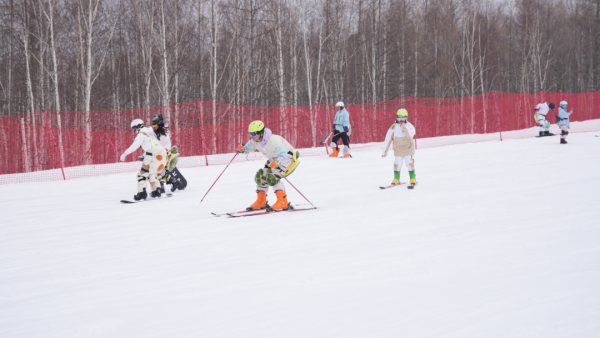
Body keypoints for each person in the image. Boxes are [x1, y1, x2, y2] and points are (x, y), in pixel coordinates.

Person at [236, 120, 300, 211]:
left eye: (253, 134)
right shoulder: (255, 141)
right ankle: (261, 201)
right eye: (250, 133)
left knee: (272, 177)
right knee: (261, 176)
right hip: (273, 159)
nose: (251, 136)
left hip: (287, 158)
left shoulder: (273, 140)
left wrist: (277, 162)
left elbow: (283, 154)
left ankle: (283, 202)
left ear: (261, 133)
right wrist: (241, 149)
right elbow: (247, 148)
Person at [120, 119, 168, 200]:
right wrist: (144, 155)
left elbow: (134, 146)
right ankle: (156, 191)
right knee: (151, 174)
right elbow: (152, 146)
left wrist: (125, 153)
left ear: (138, 127)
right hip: (162, 156)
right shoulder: (150, 132)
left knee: (141, 175)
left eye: (134, 129)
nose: (134, 131)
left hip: (151, 156)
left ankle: (142, 194)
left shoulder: (141, 135)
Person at [149, 114, 185, 192]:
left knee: (158, 170)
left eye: (155, 125)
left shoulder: (163, 134)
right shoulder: (159, 132)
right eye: (153, 125)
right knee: (161, 171)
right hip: (160, 154)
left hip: (163, 154)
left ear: (160, 125)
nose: (154, 127)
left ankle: (161, 187)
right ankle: (173, 181)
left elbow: (159, 145)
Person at [381, 109, 417, 188]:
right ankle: (396, 179)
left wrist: (404, 127)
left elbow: (410, 135)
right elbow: (388, 138)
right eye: (399, 118)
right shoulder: (393, 127)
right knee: (397, 163)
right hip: (398, 149)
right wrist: (385, 151)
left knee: (409, 162)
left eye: (403, 118)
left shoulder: (410, 126)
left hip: (408, 148)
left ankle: (412, 178)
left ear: (406, 118)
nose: (401, 120)